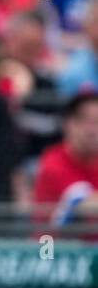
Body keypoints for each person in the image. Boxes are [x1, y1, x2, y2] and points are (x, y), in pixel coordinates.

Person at [34, 91, 98, 227]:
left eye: (97, 121)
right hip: (54, 246)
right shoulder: (53, 162)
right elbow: (79, 204)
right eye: (84, 120)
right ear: (68, 124)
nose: (92, 130)